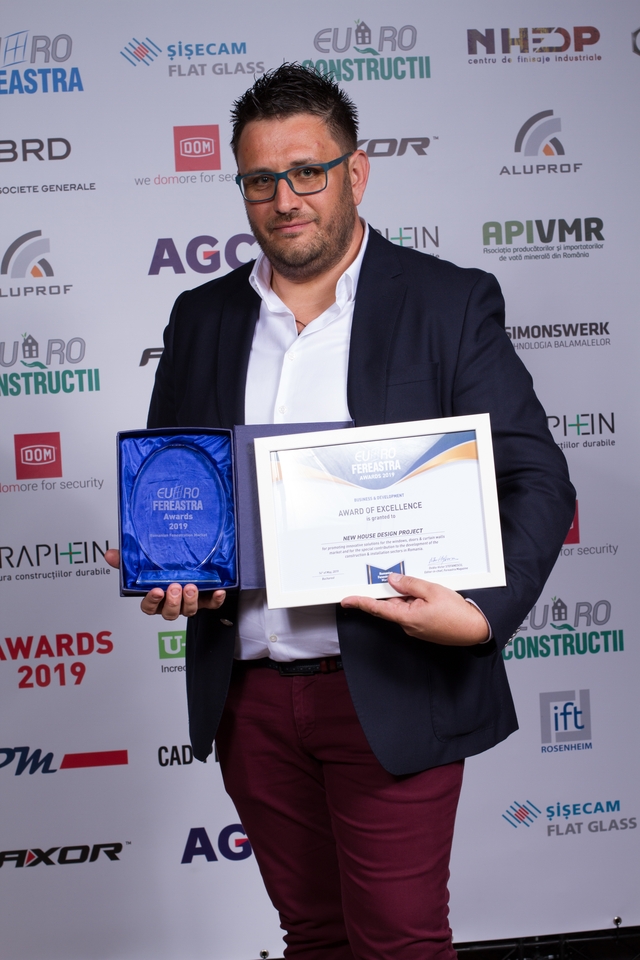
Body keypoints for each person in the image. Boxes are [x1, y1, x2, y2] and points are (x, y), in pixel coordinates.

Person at [107, 64, 575, 960]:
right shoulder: (200, 316)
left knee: (397, 943)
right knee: (313, 937)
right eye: (259, 180)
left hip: (393, 683)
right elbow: (184, 486)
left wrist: (481, 615)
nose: (284, 200)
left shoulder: (445, 301)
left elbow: (538, 478)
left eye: (307, 172)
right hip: (248, 693)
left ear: (355, 172)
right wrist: (175, 565)